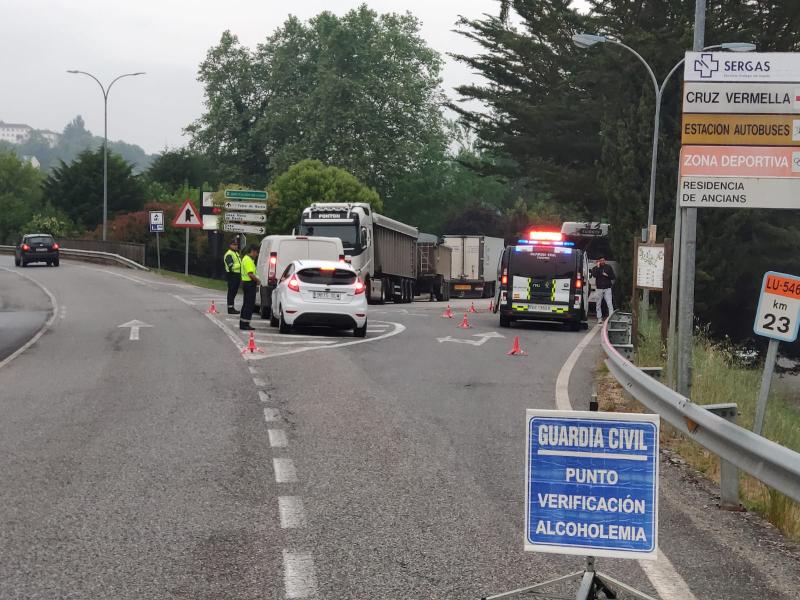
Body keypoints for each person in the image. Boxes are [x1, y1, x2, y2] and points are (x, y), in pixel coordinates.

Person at [239, 244, 261, 331]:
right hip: (249, 284)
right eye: (257, 252)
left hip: (247, 284)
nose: (257, 254)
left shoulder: (246, 259)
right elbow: (250, 274)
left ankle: (243, 323)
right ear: (253, 251)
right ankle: (245, 324)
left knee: (246, 304)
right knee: (249, 305)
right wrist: (258, 280)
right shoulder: (248, 260)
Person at [590, 257, 615, 323]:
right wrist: (598, 267)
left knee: (609, 303)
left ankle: (610, 318)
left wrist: (607, 275)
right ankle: (599, 318)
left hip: (607, 288)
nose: (602, 261)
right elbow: (594, 275)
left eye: (603, 260)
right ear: (598, 261)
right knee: (598, 304)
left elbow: (613, 277)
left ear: (605, 260)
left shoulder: (608, 267)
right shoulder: (595, 268)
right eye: (601, 260)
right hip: (599, 288)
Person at [223, 238, 242, 314]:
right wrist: (240, 264)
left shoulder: (236, 253)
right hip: (232, 275)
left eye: (236, 245)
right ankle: (230, 308)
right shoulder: (229, 254)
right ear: (230, 245)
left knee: (234, 292)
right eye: (234, 245)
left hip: (237, 275)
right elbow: (231, 266)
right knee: (231, 292)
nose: (236, 246)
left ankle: (232, 307)